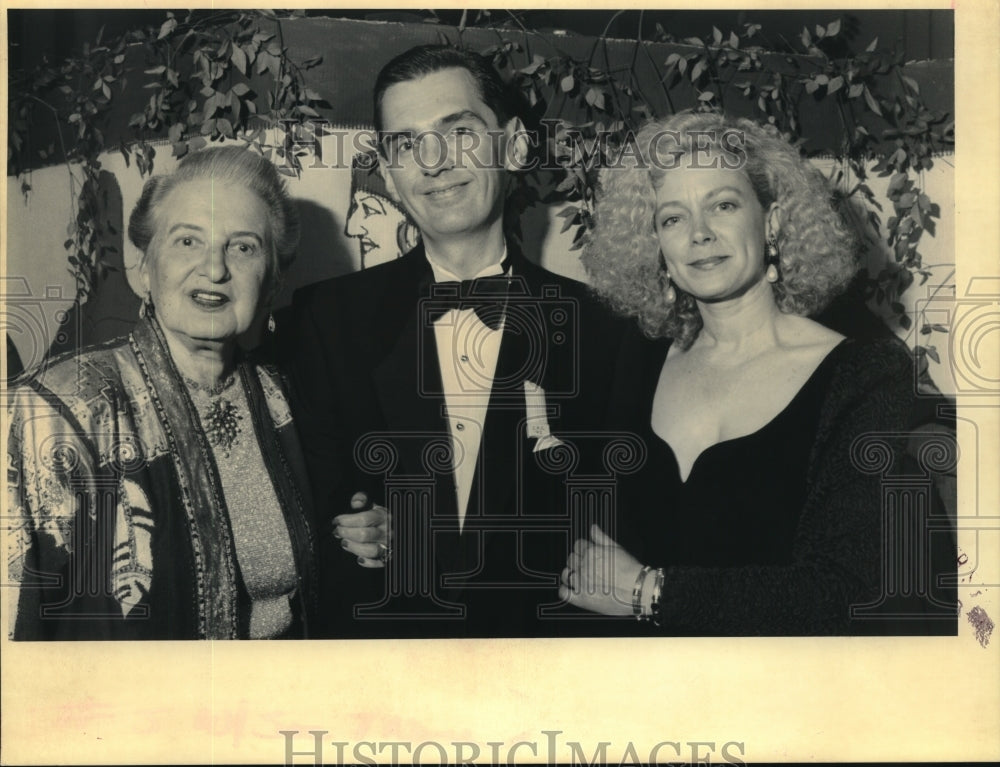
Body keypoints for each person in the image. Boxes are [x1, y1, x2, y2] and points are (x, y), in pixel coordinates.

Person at [560, 111, 956, 635]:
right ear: (655, 243)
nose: (699, 234)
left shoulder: (864, 375)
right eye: (673, 218)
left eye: (723, 205)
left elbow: (845, 590)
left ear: (771, 220)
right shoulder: (634, 357)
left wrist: (649, 592)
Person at [280, 44, 630, 636]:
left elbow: (622, 526)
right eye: (406, 144)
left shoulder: (607, 332)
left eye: (459, 131)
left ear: (515, 145)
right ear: (389, 175)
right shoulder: (323, 320)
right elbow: (295, 509)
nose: (434, 162)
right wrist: (345, 527)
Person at [7, 147, 324, 639]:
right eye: (187, 241)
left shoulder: (282, 397)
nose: (214, 269)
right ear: (142, 268)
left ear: (273, 279)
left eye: (243, 247)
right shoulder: (50, 413)